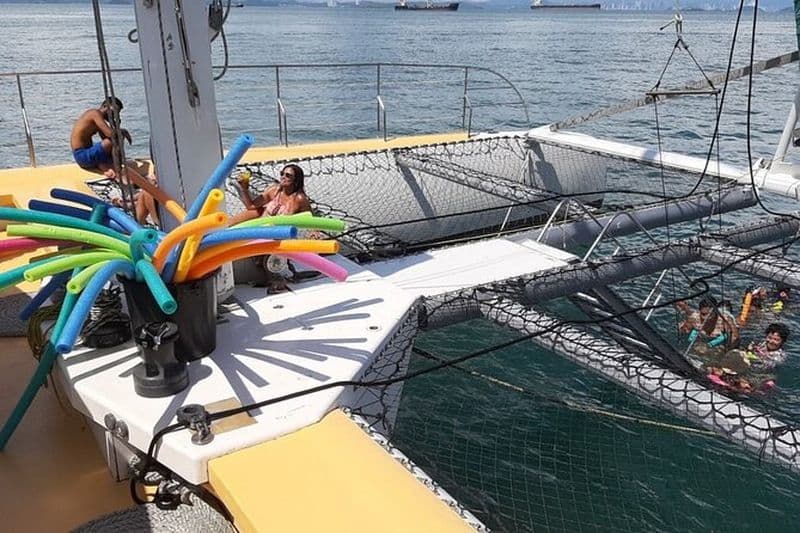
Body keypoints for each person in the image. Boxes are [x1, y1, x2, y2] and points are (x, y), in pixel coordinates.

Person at [229, 164, 311, 226]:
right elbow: (251, 206)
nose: (283, 177)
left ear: (296, 180)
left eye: (288, 175)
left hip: (280, 235)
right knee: (233, 223)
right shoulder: (274, 191)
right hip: (262, 228)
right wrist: (244, 189)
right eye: (282, 173)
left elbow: (309, 218)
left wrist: (315, 231)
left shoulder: (299, 199)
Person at [70, 97, 132, 175]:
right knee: (118, 137)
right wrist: (123, 131)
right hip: (82, 156)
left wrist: (115, 124)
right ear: (105, 106)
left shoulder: (99, 119)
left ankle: (108, 165)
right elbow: (111, 135)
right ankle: (118, 170)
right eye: (114, 112)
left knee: (116, 138)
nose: (115, 115)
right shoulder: (94, 113)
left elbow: (106, 138)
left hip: (86, 155)